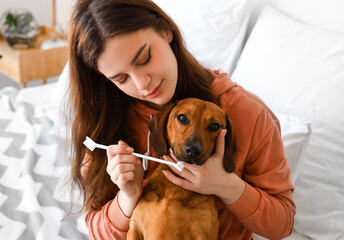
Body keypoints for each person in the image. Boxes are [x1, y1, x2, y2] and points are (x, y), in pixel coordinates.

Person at [67, 0, 295, 239]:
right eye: (122, 78)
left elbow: (282, 223)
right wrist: (127, 197)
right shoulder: (106, 123)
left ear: (166, 30)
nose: (143, 85)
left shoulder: (246, 112)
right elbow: (96, 230)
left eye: (144, 58)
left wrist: (226, 186)